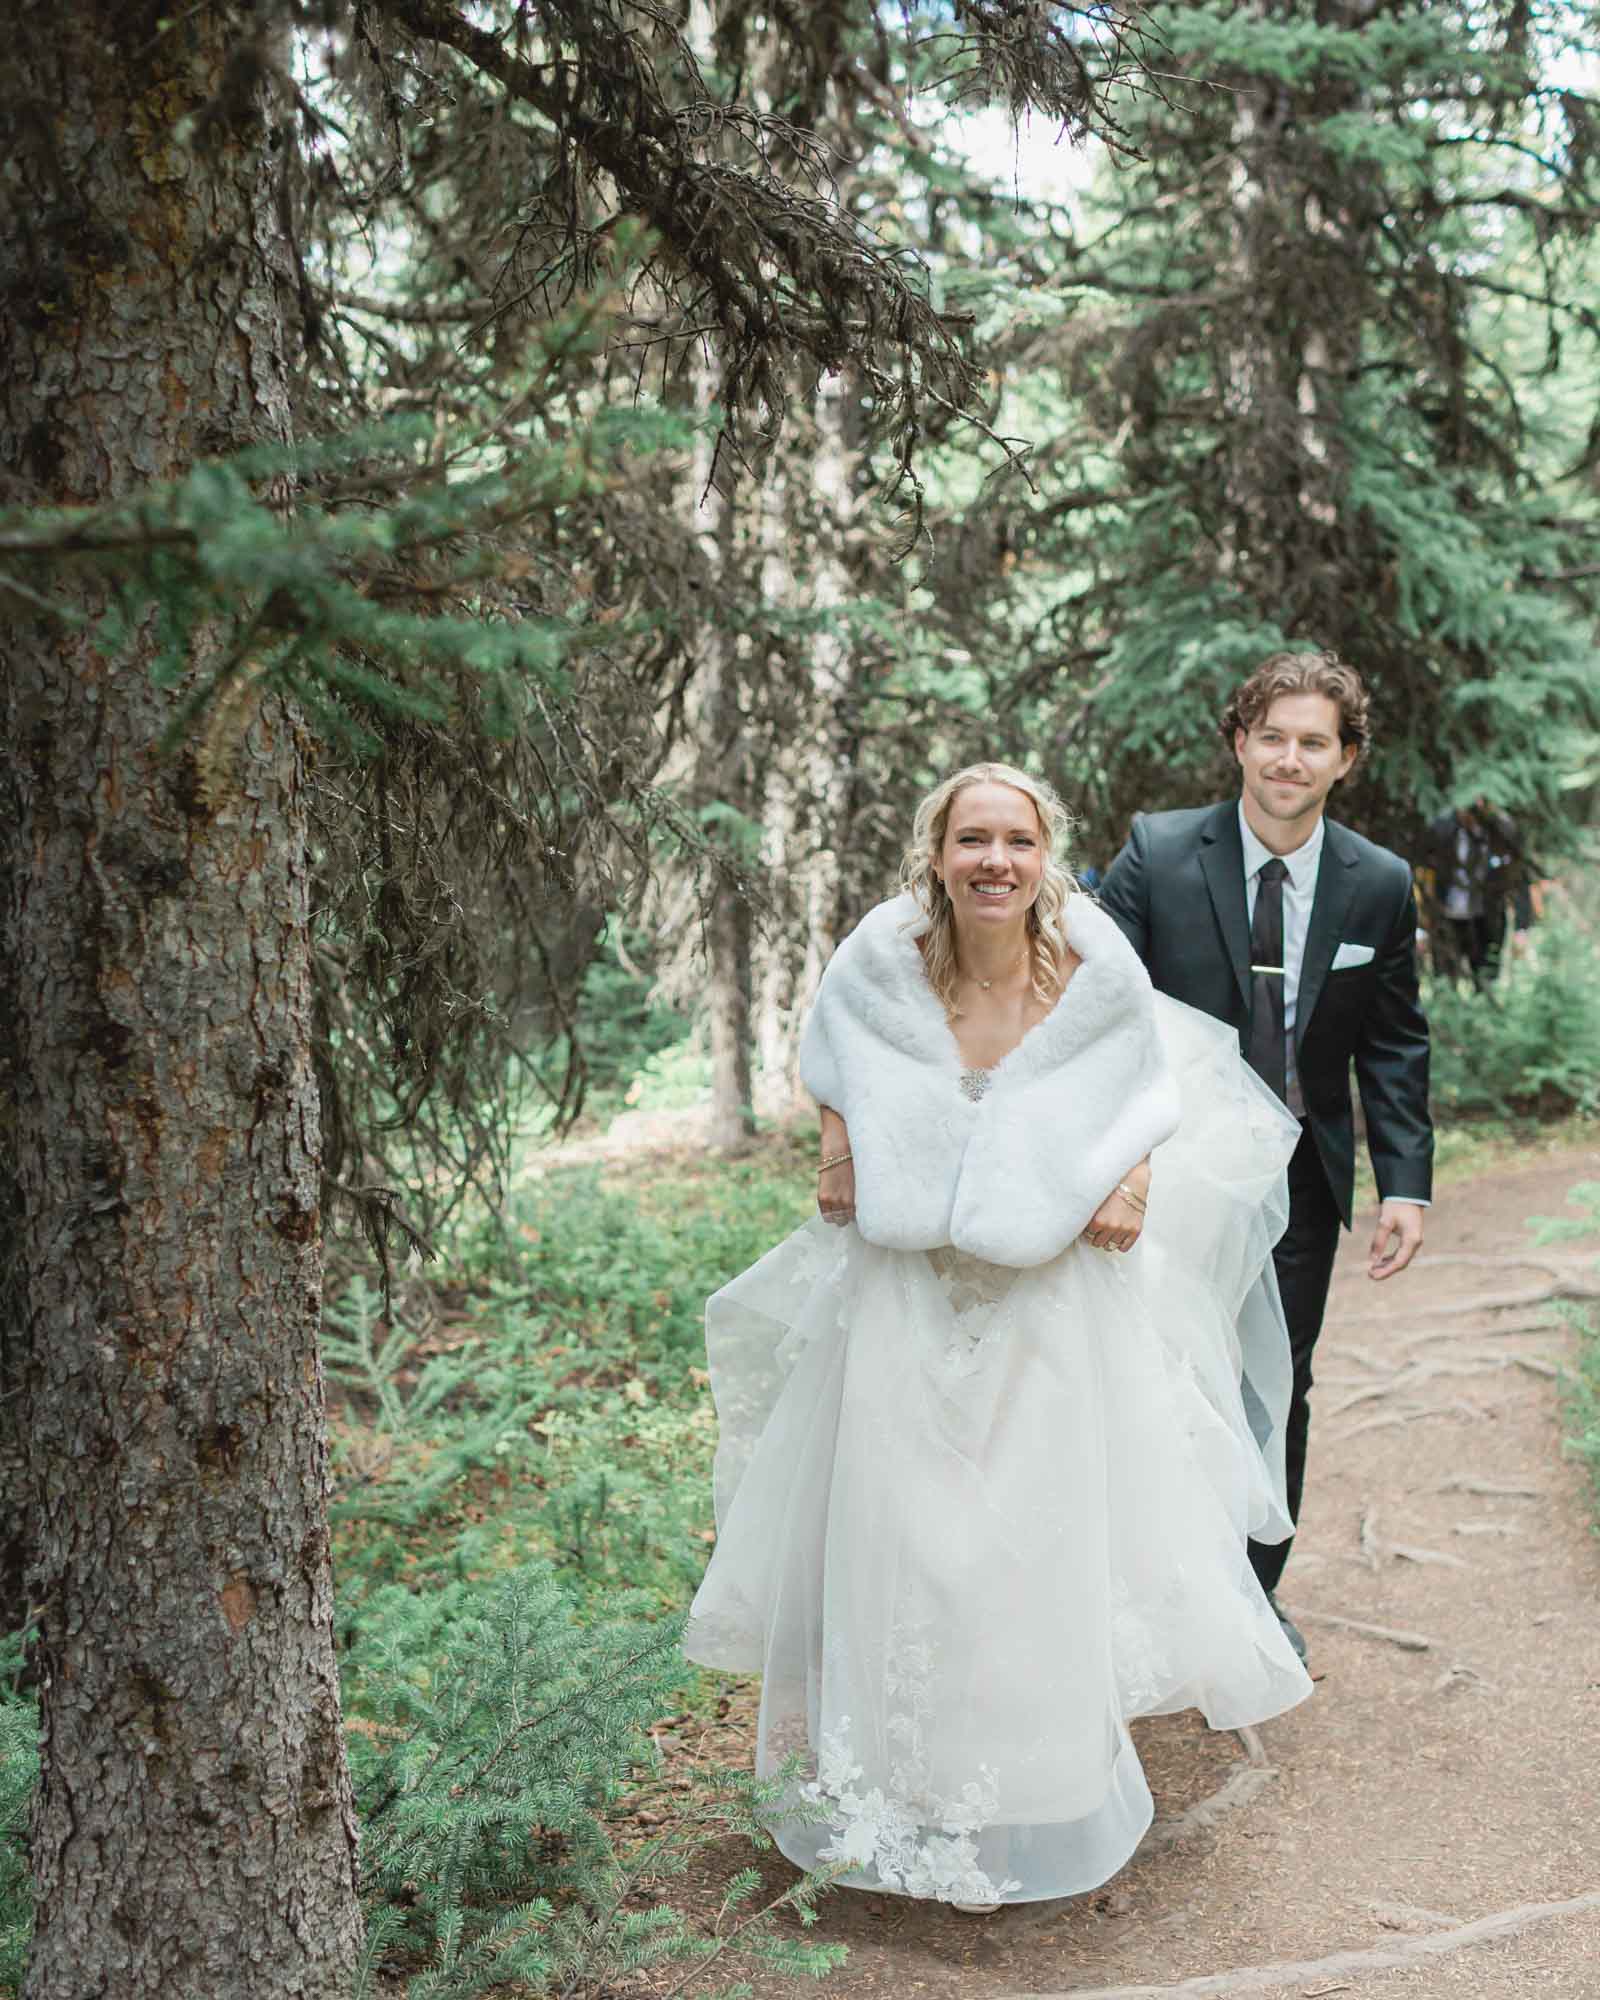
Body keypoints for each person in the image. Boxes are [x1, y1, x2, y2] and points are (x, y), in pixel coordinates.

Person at [683, 763, 1312, 1911]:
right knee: (902, 1536)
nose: (994, 862)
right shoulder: (880, 953)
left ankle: (1030, 1789)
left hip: (1047, 1294)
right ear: (936, 851)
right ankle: (894, 1798)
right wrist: (839, 1151)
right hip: (900, 1292)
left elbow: (1143, 1089)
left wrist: (1125, 1179)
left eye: (1016, 841)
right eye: (971, 839)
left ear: (1044, 854)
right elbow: (834, 1060)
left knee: (1025, 1534)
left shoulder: (1087, 960)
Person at [1098, 652, 1433, 1660]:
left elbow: (1393, 1038)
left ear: (1346, 759)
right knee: (1152, 1371)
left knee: (1275, 1379)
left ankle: (1248, 1597)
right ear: (1240, 740)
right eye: (1272, 735)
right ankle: (1141, 1591)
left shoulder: (1374, 882)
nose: (1289, 758)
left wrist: (1403, 1183)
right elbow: (1088, 1002)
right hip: (1162, 1174)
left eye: (1313, 742)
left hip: (1299, 1176)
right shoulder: (1156, 853)